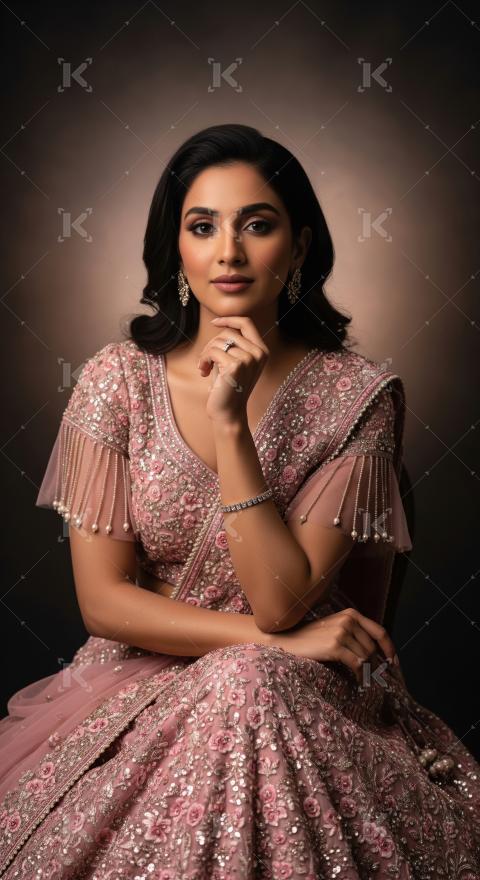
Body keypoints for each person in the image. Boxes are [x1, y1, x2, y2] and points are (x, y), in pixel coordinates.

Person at [0, 123, 479, 880]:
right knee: (243, 674)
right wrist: (276, 642)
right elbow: (104, 602)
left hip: (306, 698)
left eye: (257, 225)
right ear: (177, 249)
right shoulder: (117, 380)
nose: (229, 251)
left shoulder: (356, 397)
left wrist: (231, 425)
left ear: (297, 247)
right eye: (203, 227)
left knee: (245, 683)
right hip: (138, 682)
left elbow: (280, 600)